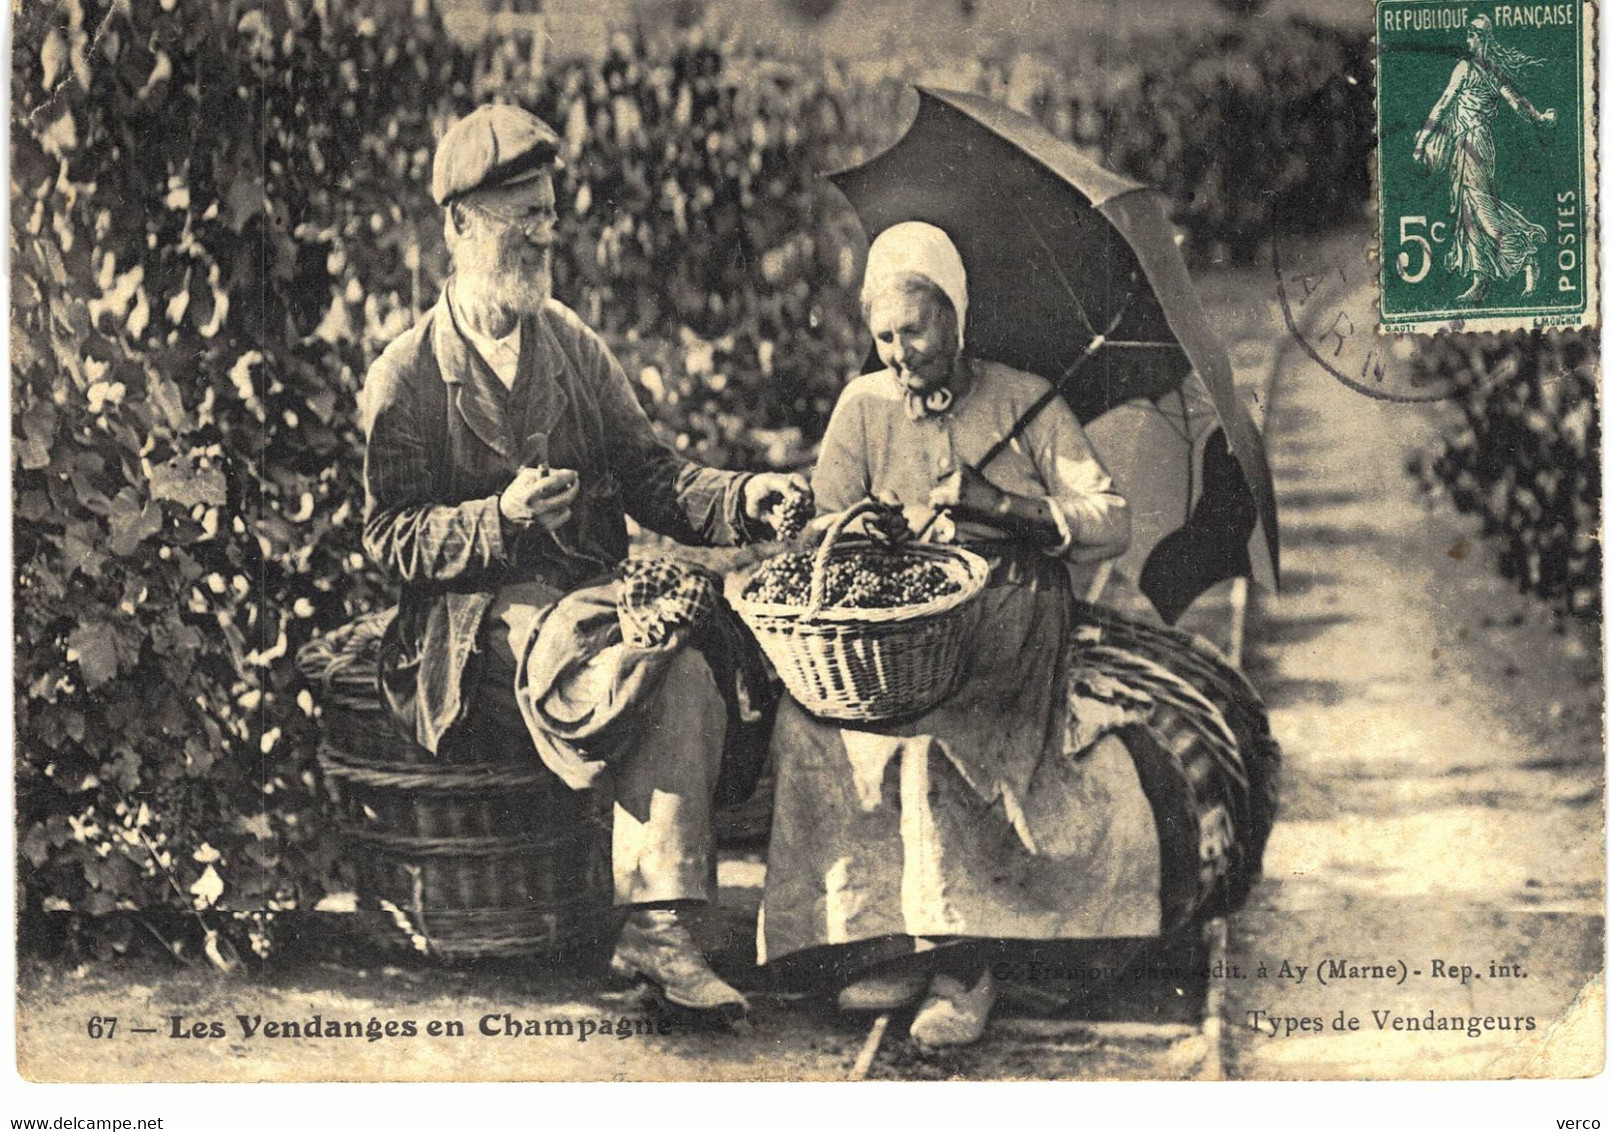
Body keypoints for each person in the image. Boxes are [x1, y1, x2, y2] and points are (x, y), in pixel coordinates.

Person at [757, 222, 1276, 1050]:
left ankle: (963, 965)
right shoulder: (861, 409)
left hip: (1009, 618)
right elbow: (821, 523)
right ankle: (890, 936)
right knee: (813, 726)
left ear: (955, 317)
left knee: (941, 739)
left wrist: (1001, 506)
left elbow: (1108, 519)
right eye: (883, 336)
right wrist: (874, 530)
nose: (898, 352)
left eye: (915, 330)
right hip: (897, 625)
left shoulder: (1023, 399)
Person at [361, 104, 806, 1019]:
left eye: (548, 212)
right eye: (520, 212)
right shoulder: (405, 375)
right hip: (468, 627)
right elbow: (389, 539)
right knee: (612, 645)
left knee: (679, 661)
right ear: (456, 225)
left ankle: (659, 932)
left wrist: (741, 498)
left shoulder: (569, 345)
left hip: (587, 609)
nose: (544, 232)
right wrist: (497, 517)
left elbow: (652, 474)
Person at [1413, 13, 1557, 302]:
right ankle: (1481, 280)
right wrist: (1538, 117)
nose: (1468, 39)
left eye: (1471, 35)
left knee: (1481, 209)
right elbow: (1517, 102)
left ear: (1481, 39)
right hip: (1469, 144)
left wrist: (1421, 141)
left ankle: (1526, 253)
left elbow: (1443, 104)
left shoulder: (1466, 68)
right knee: (1469, 212)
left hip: (1473, 143)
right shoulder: (1493, 71)